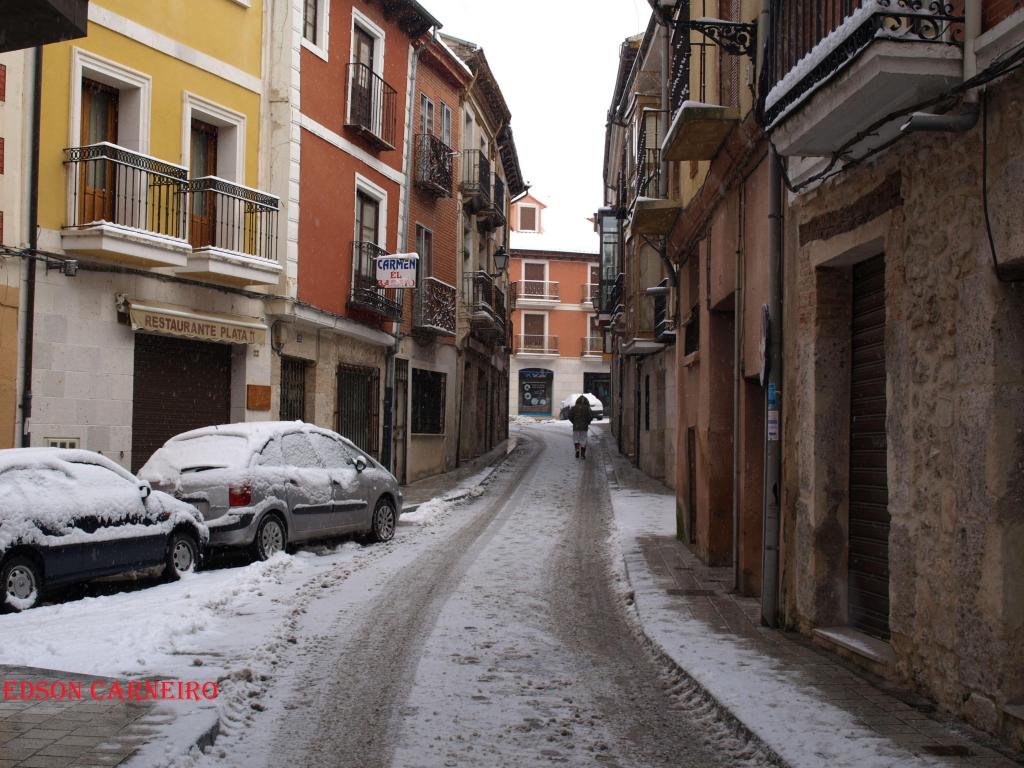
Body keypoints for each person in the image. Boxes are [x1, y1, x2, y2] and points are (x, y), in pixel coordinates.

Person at [570, 395, 594, 459]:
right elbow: (591, 416)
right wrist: (588, 422)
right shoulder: (587, 408)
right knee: (583, 440)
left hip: (576, 427)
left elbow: (570, 416)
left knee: (576, 439)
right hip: (584, 427)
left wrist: (574, 422)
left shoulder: (574, 408)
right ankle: (583, 454)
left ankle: (577, 450)